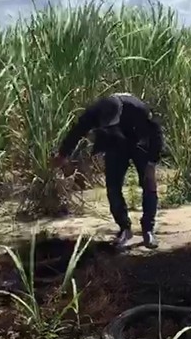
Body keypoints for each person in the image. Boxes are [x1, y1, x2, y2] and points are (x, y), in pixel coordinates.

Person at [51, 93, 164, 249]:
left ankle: (148, 230)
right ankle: (124, 228)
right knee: (112, 186)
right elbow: (77, 131)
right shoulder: (94, 113)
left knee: (148, 183)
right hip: (115, 144)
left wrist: (152, 162)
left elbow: (156, 132)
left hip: (139, 141)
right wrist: (63, 154)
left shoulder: (137, 109)